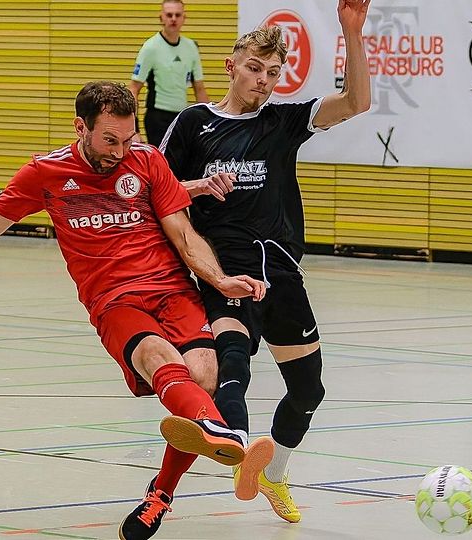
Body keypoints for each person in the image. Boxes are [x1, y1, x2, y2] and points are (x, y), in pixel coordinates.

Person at [0, 81, 271, 540]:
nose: (121, 150)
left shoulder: (148, 161)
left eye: (128, 138)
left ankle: (161, 493)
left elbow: (184, 236)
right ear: (80, 127)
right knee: (157, 359)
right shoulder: (46, 173)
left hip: (172, 291)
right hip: (114, 300)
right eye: (110, 140)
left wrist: (220, 280)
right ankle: (215, 426)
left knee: (204, 375)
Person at [159, 0, 373, 524]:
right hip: (223, 262)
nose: (263, 81)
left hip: (279, 266)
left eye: (273, 74)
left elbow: (357, 103)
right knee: (234, 353)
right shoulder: (194, 124)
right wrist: (197, 185)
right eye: (255, 69)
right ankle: (233, 442)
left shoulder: (282, 121)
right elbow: (153, 189)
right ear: (232, 65)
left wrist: (350, 29)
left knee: (309, 387)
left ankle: (271, 470)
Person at [130, 0, 209, 145]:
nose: (173, 19)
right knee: (162, 163)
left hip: (181, 116)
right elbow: (133, 89)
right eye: (169, 15)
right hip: (158, 117)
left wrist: (211, 123)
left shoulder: (191, 47)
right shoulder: (150, 48)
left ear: (184, 18)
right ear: (161, 18)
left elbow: (200, 89)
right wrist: (133, 130)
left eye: (177, 15)